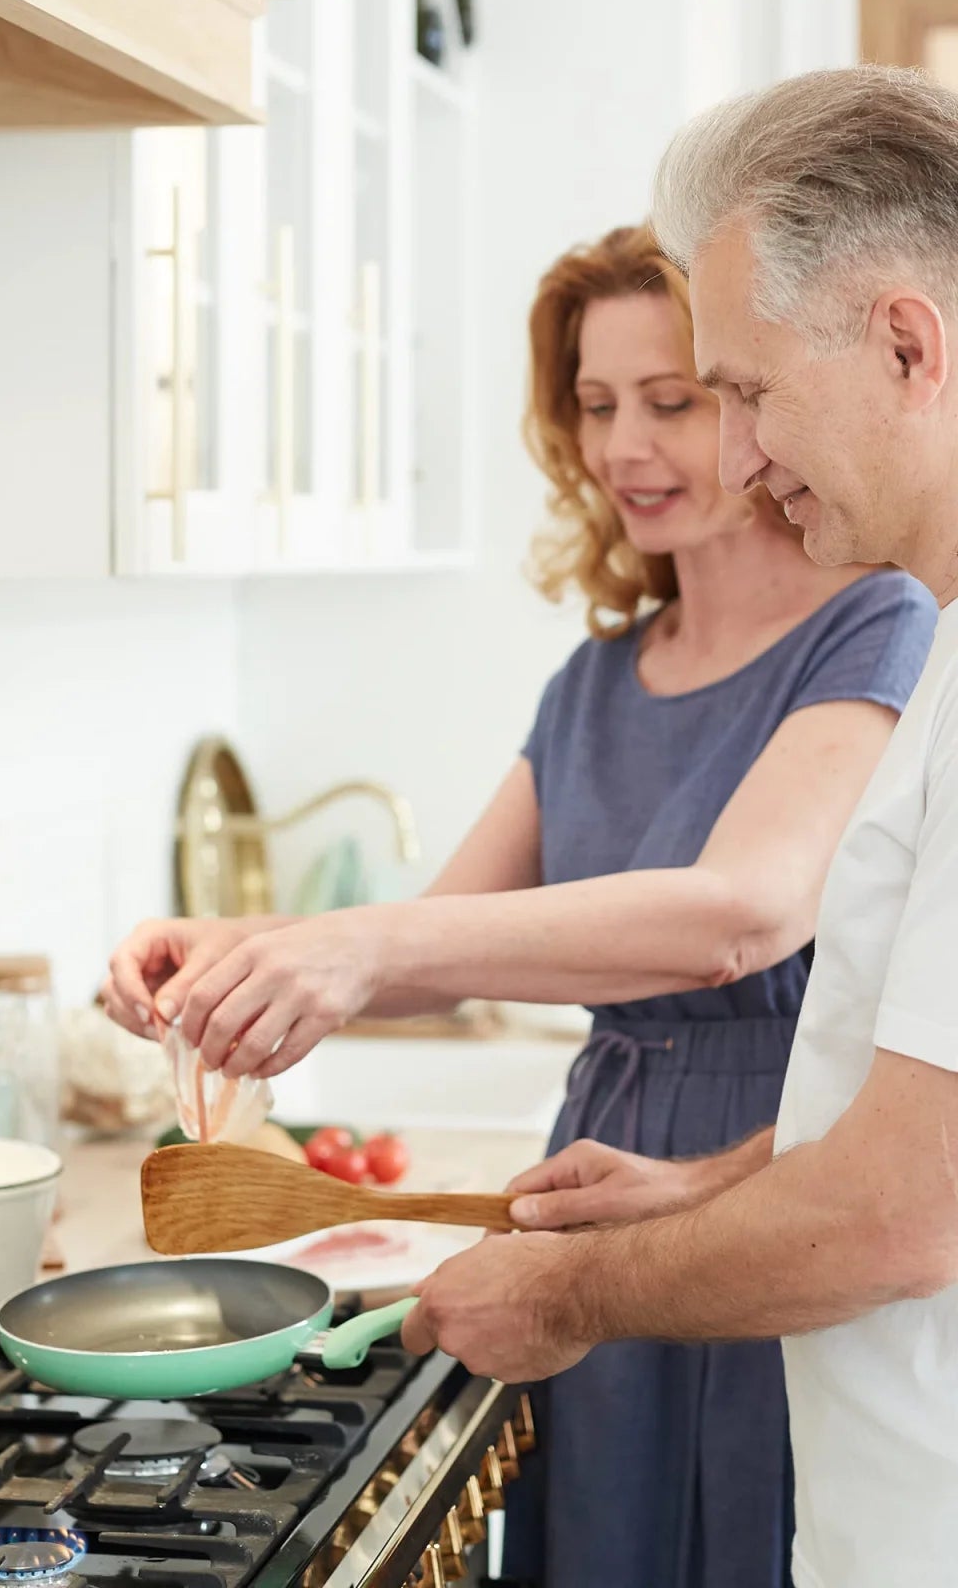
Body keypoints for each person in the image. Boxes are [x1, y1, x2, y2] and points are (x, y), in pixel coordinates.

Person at [103, 222, 937, 1588]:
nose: (625, 448)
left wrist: (352, 949)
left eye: (671, 400)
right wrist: (237, 953)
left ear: (749, 399)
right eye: (596, 407)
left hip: (769, 1182)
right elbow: (440, 951)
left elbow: (740, 913)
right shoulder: (597, 681)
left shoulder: (878, 625)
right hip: (586, 1188)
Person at [359, 66, 958, 1588]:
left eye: (739, 391)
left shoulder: (885, 641)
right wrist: (705, 1182)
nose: (734, 457)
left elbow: (903, 1203)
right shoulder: (943, 653)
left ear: (906, 342)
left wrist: (575, 1300)